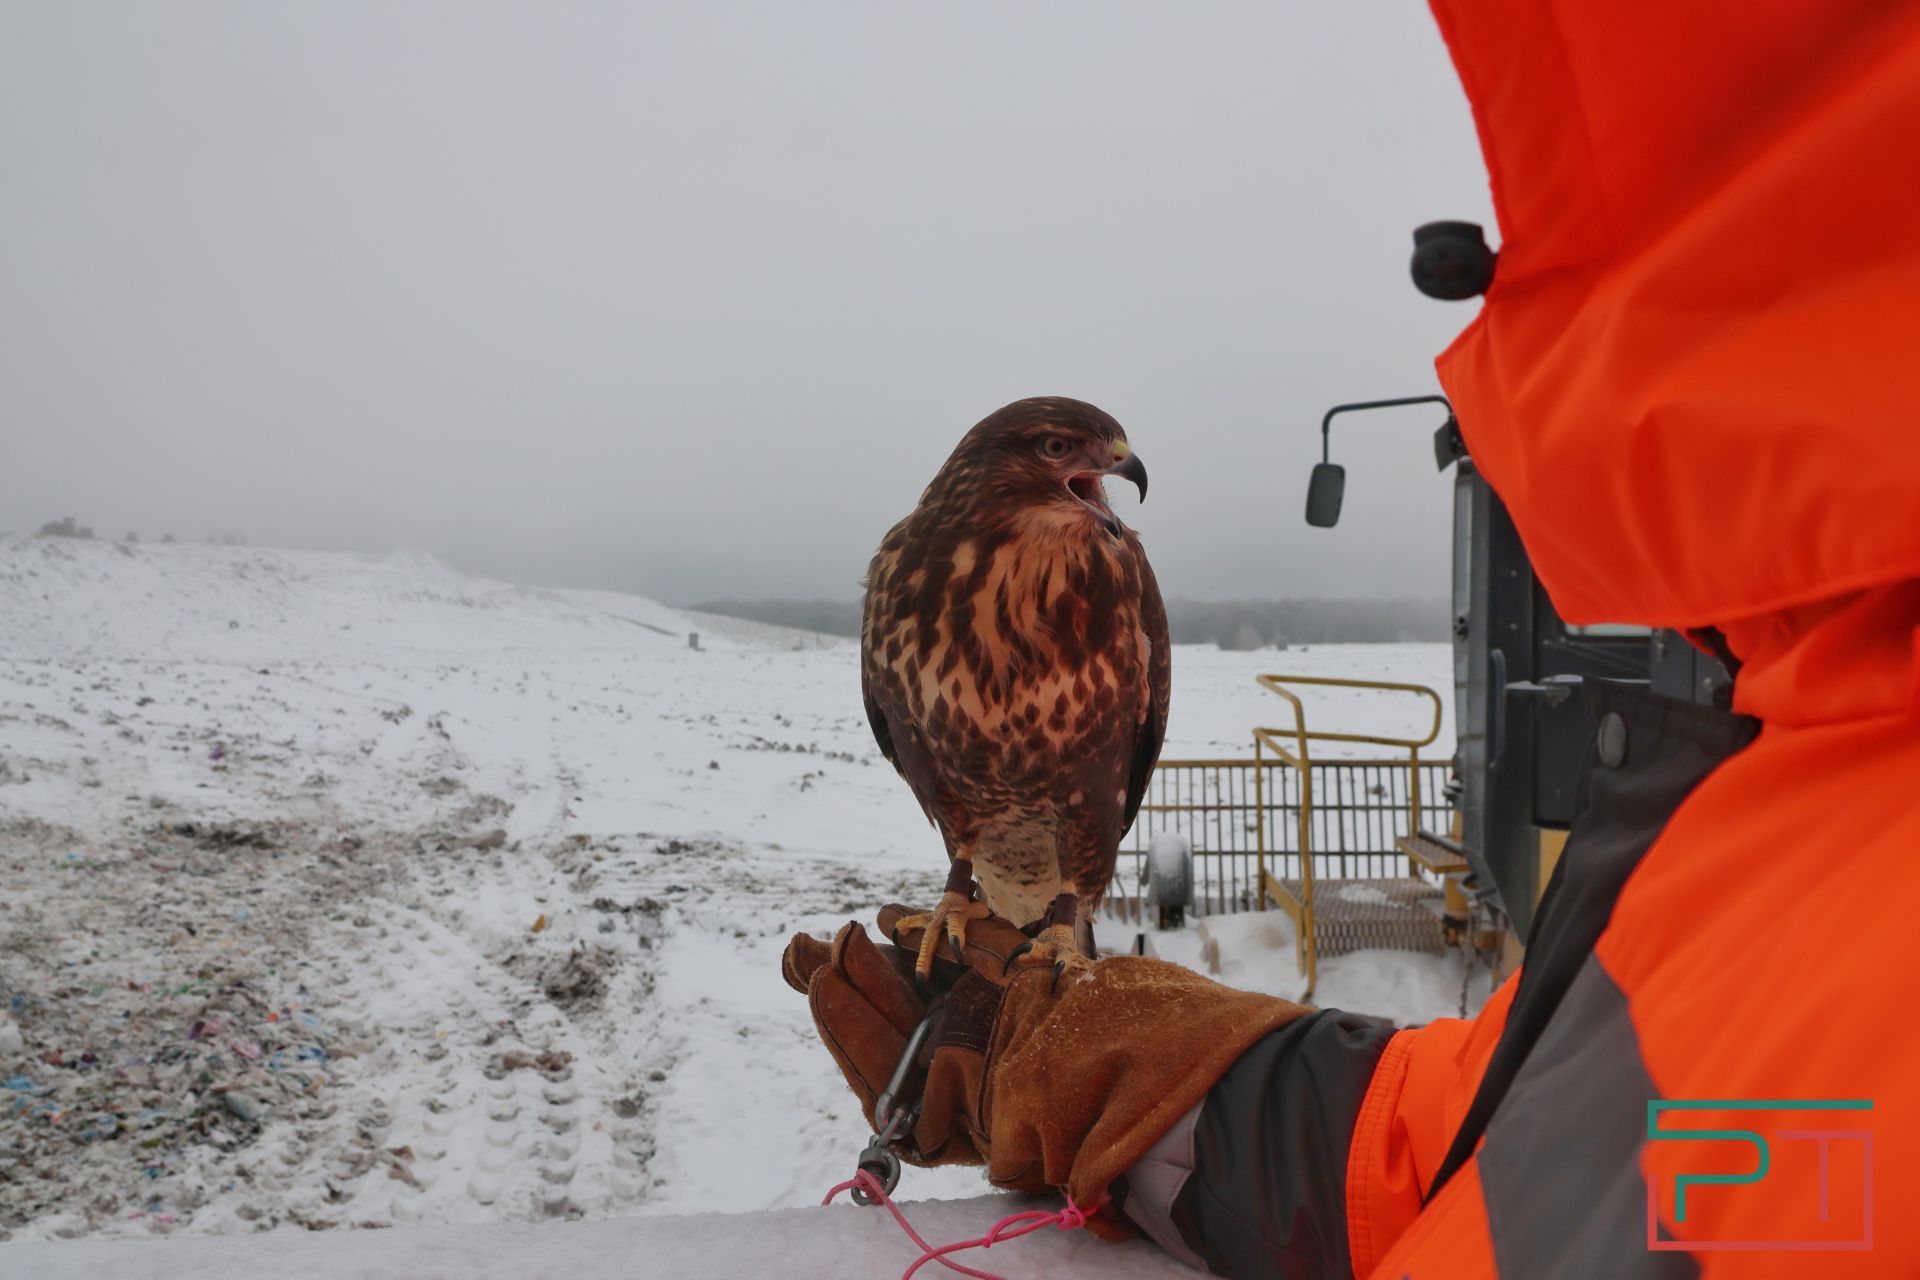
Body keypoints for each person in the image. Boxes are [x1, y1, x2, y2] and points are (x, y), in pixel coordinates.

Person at [785, 2, 1920, 1274]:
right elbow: (1451, 1154)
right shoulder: (1765, 806)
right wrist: (1137, 1078)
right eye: (1071, 453)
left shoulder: (1799, 828)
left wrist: (1067, 931)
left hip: (1070, 857)